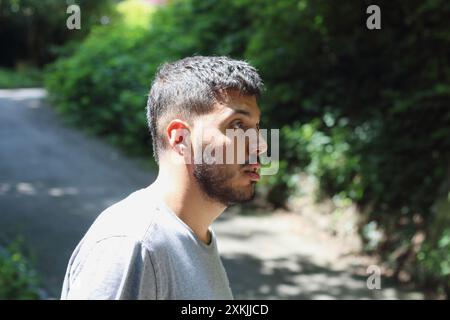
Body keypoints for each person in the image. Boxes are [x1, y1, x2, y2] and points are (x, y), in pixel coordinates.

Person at [61, 56, 268, 299]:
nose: (261, 145)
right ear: (180, 138)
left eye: (256, 128)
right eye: (237, 126)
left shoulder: (192, 237)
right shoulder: (132, 244)